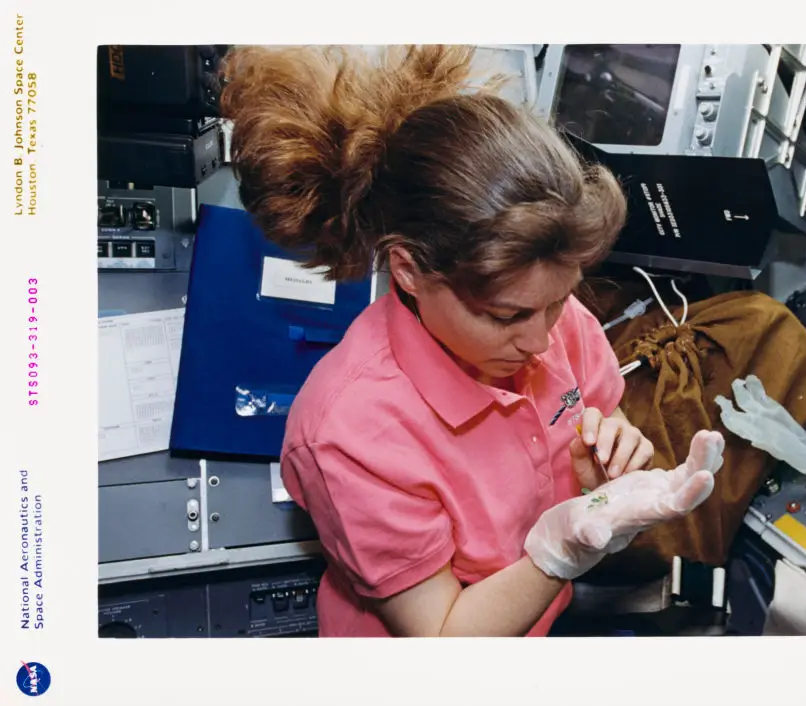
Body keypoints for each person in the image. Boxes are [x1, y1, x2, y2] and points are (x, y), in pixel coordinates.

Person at [220, 44, 724, 638]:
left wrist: (608, 472)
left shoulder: (555, 321)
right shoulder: (348, 434)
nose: (541, 340)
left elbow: (595, 415)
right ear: (408, 271)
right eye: (504, 315)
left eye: (560, 299)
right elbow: (443, 635)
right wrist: (557, 549)